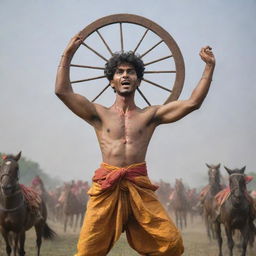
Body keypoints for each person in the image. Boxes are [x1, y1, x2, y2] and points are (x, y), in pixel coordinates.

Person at [55, 33, 215, 256]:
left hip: (139, 186)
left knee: (172, 244)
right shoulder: (98, 114)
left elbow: (193, 103)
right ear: (111, 80)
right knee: (87, 251)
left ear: (138, 80)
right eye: (119, 72)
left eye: (131, 72)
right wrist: (68, 53)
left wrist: (209, 68)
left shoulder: (151, 115)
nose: (125, 75)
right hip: (106, 187)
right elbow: (62, 91)